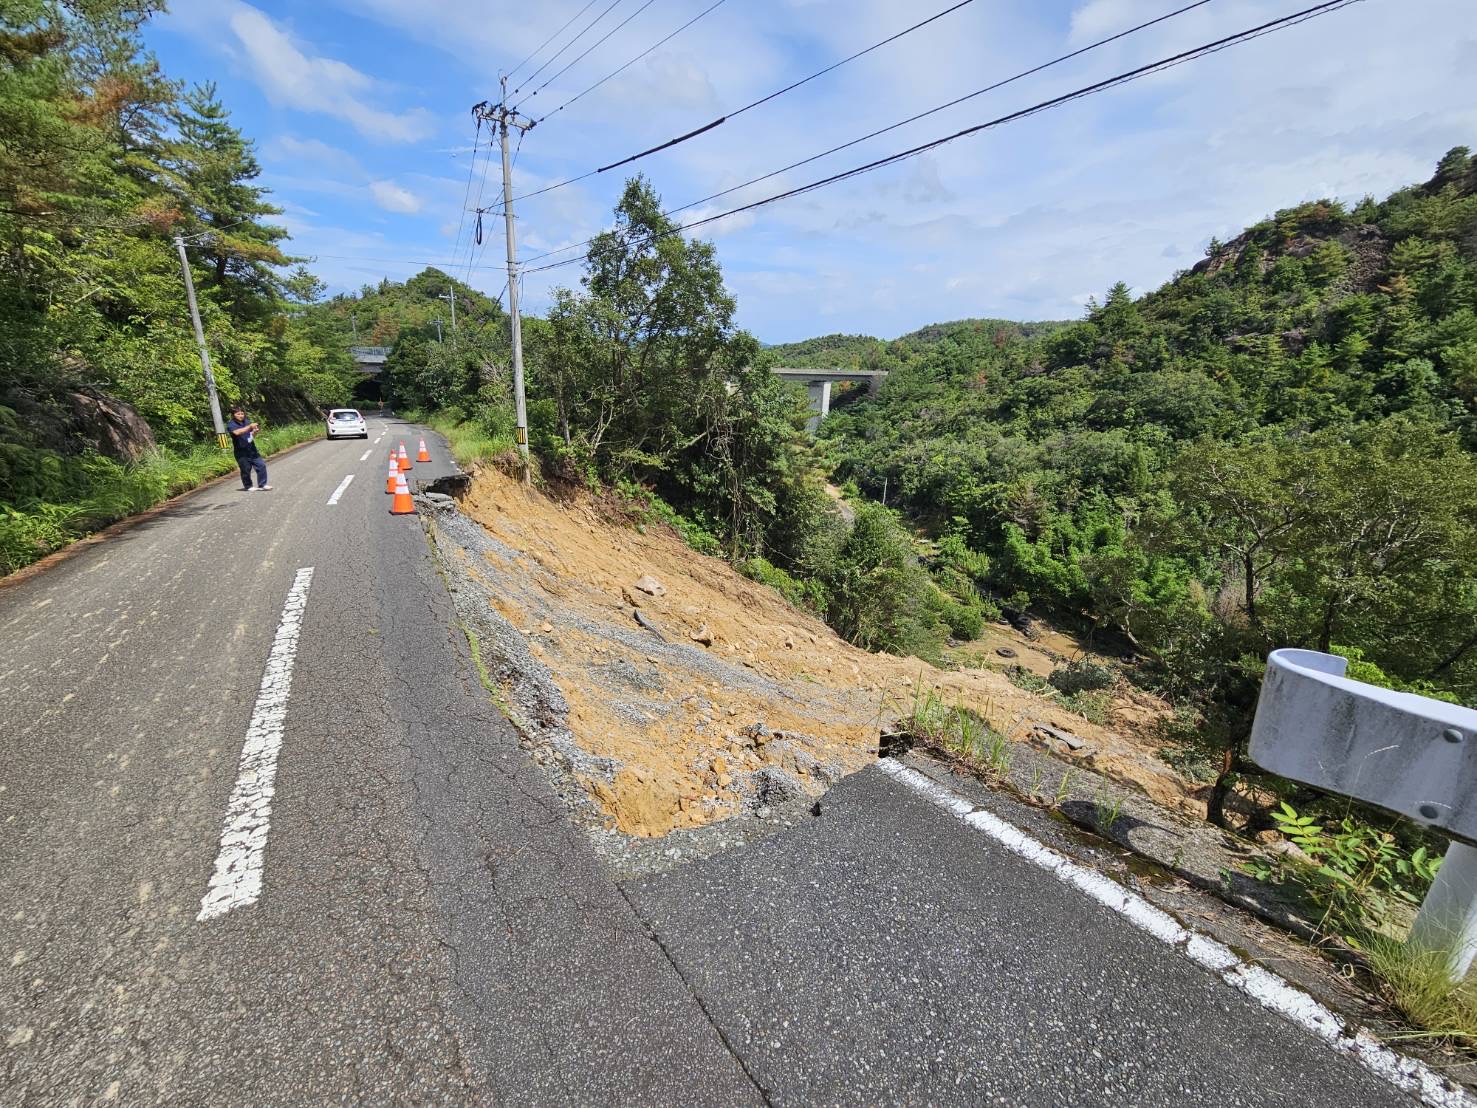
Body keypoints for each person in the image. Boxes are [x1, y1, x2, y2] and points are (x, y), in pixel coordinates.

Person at [226, 406, 272, 491]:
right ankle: (248, 486)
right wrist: (250, 426)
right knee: (246, 469)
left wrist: (254, 432)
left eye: (242, 413)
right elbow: (237, 432)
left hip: (252, 449)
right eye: (238, 414)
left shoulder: (246, 422)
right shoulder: (231, 424)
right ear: (233, 415)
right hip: (241, 451)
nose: (241, 415)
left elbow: (251, 436)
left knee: (261, 465)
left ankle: (262, 484)